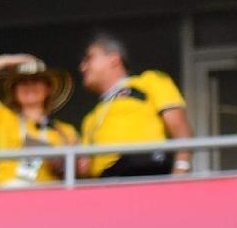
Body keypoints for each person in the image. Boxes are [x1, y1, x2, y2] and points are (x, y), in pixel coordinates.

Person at [75, 33, 192, 178]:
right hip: (107, 185)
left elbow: (180, 128)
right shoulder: (90, 119)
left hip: (145, 172)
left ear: (114, 59)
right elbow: (85, 171)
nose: (82, 67)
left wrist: (180, 171)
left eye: (89, 58)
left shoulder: (150, 81)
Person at [0, 53, 77, 187]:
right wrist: (8, 60)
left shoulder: (65, 131)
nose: (30, 86)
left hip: (47, 198)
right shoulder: (3, 118)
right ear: (14, 91)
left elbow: (79, 172)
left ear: (48, 88)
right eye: (22, 82)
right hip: (6, 194)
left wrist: (59, 164)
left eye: (36, 80)